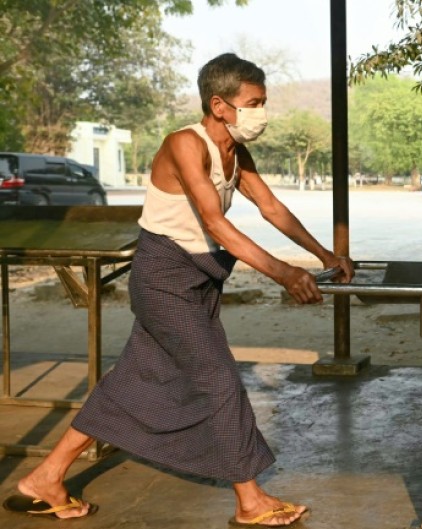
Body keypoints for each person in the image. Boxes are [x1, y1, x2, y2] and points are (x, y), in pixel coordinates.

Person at [2, 53, 353, 527]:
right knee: (219, 381)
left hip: (199, 281)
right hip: (163, 279)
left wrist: (324, 255)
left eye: (263, 102)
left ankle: (45, 478)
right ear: (220, 105)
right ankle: (249, 501)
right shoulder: (185, 144)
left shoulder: (236, 153)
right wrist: (284, 273)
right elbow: (215, 223)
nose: (262, 112)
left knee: (131, 383)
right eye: (254, 103)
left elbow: (271, 207)